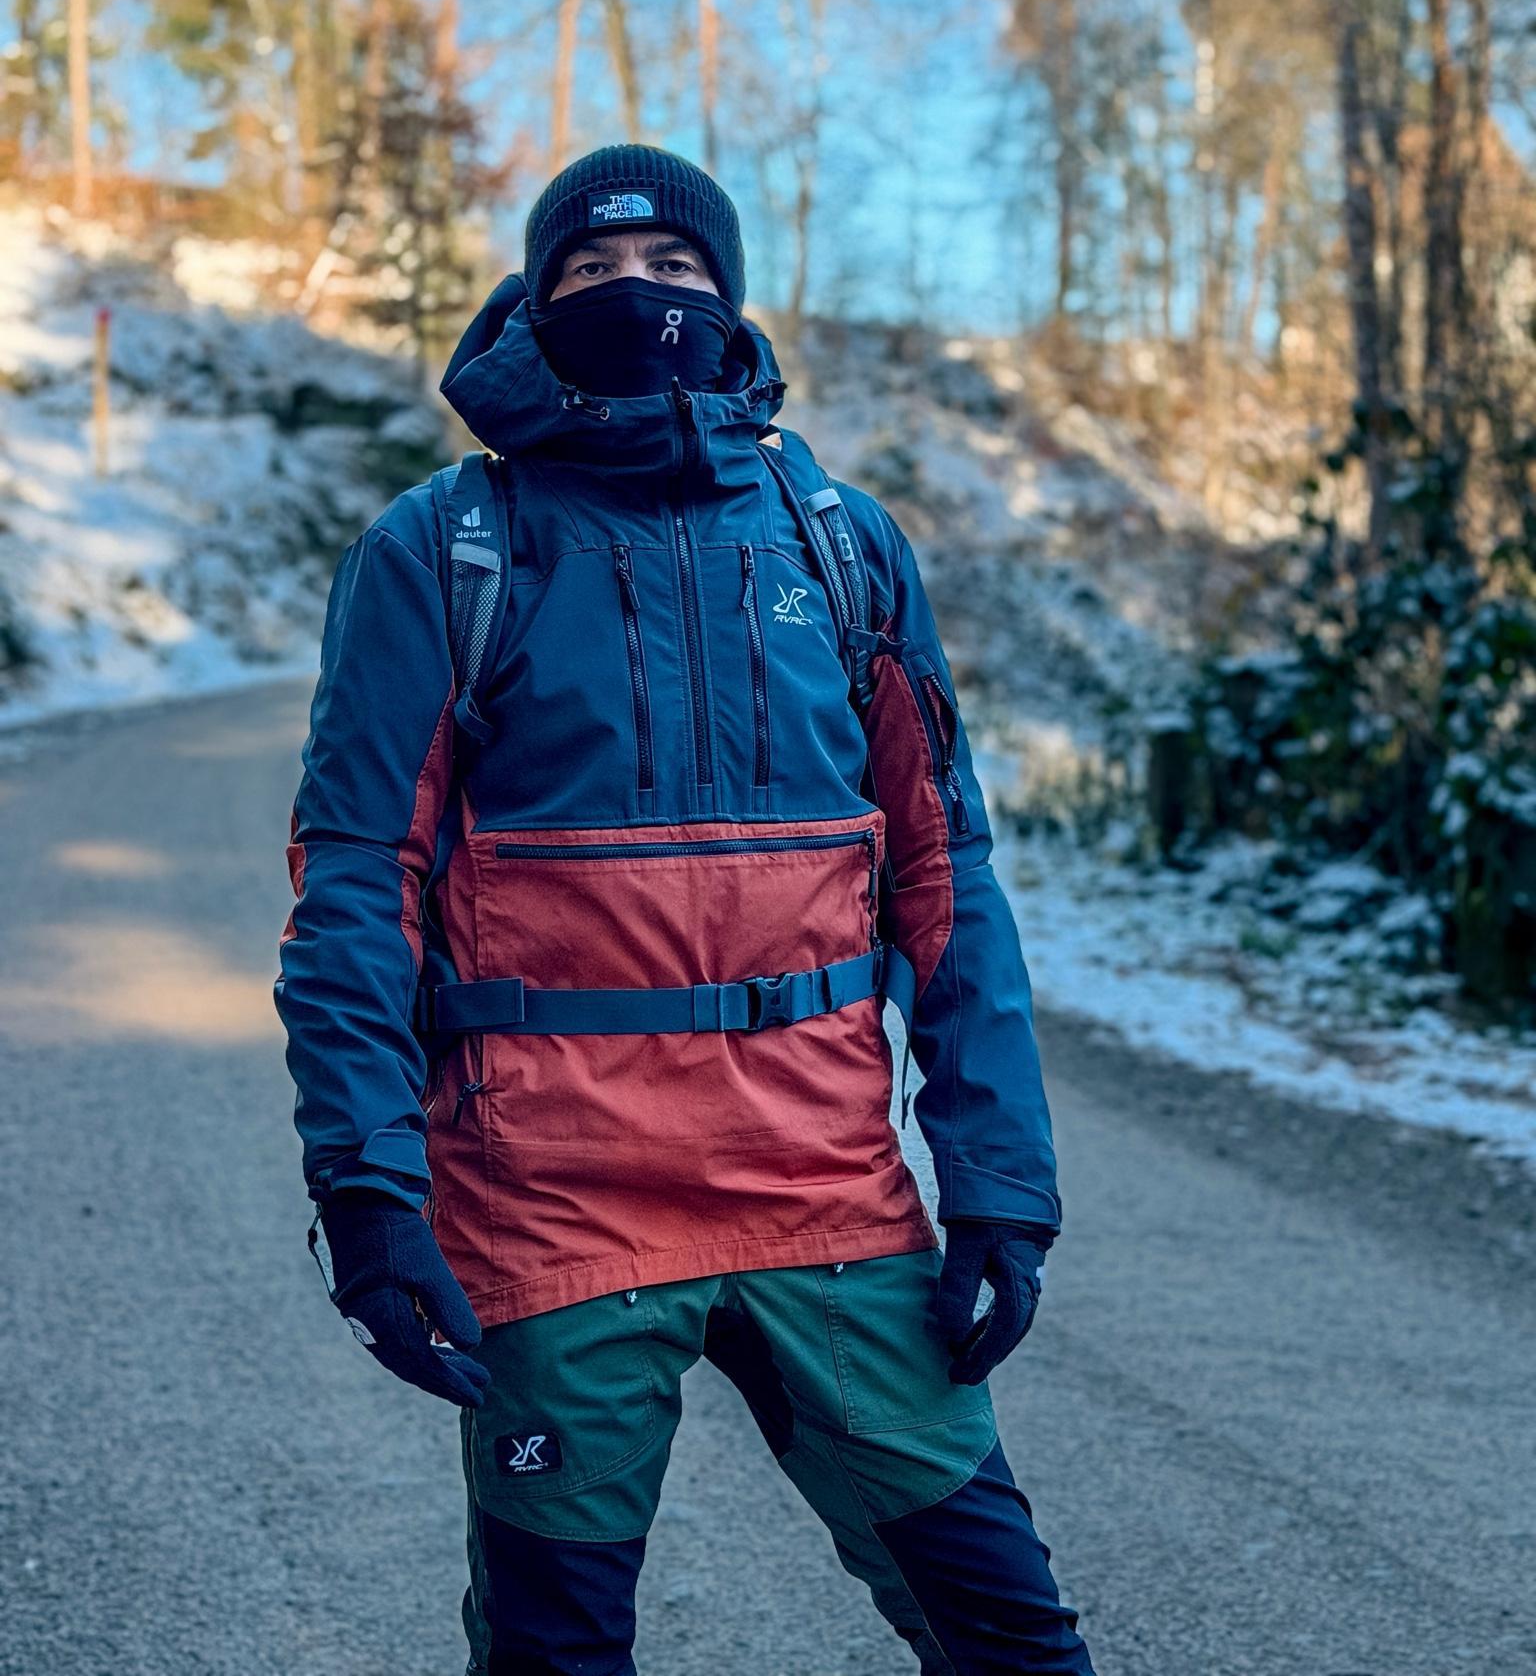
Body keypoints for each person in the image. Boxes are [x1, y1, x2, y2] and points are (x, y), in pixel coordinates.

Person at [274, 145, 1096, 1675]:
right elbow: (354, 889)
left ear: (728, 296)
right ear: (531, 303)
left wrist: (1000, 1184)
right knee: (560, 1657)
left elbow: (945, 879)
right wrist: (369, 1192)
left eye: (673, 267)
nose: (634, 292)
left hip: (825, 1191)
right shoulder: (441, 550)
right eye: (588, 270)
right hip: (552, 1202)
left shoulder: (840, 543)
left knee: (1014, 1639)